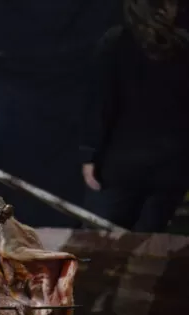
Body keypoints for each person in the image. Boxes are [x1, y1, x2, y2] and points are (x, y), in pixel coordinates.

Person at [80, 0, 189, 232]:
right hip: (172, 164)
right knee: (148, 247)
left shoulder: (116, 42)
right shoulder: (183, 45)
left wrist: (90, 154)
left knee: (101, 243)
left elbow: (102, 104)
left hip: (123, 164)